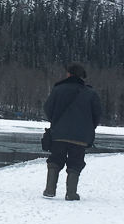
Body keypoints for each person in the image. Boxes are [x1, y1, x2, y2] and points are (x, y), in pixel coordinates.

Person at [42, 61, 103, 200]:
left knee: (55, 159)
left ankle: (50, 190)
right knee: (76, 162)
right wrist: (88, 128)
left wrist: (55, 122)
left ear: (69, 74)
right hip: (81, 137)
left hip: (59, 134)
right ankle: (71, 193)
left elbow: (48, 108)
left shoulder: (58, 89)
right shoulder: (90, 93)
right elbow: (97, 114)